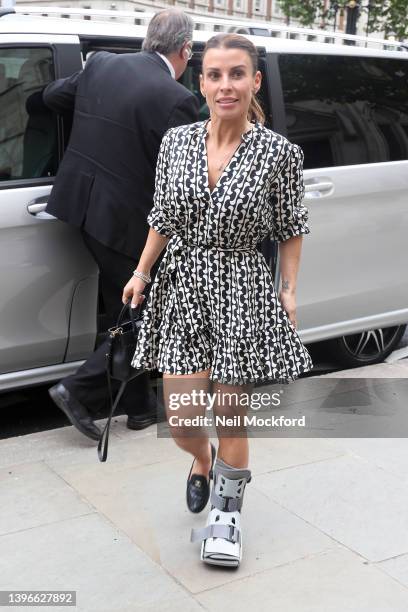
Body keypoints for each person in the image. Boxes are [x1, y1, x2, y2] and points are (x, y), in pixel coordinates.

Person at [122, 33, 314, 567]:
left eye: (236, 74)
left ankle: (226, 518)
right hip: (182, 283)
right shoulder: (176, 143)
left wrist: (289, 289)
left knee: (231, 413)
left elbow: (292, 226)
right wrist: (141, 271)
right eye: (214, 74)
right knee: (181, 419)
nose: (224, 85)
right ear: (199, 81)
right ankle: (200, 460)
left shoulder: (280, 153)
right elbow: (163, 216)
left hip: (241, 285)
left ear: (254, 82)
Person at [43, 9, 200, 441]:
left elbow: (55, 95)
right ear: (185, 49)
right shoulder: (176, 99)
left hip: (83, 208)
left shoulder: (103, 64)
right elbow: (184, 179)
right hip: (125, 224)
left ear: (150, 39)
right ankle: (78, 389)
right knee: (144, 315)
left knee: (123, 306)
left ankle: (139, 408)